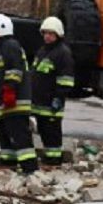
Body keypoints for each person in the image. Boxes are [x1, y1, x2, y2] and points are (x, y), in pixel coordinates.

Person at [0, 12, 38, 174]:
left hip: (16, 101)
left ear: (2, 29)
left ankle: (30, 168)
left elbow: (14, 70)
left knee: (19, 134)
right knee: (5, 133)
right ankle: (8, 161)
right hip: (6, 102)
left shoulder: (11, 46)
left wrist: (9, 91)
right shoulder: (1, 50)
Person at [31, 16, 75, 166]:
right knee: (43, 130)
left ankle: (54, 159)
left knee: (52, 132)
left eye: (51, 33)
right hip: (39, 103)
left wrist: (58, 97)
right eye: (45, 33)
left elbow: (66, 80)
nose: (47, 36)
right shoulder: (42, 51)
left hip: (52, 103)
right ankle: (48, 157)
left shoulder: (63, 53)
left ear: (58, 34)